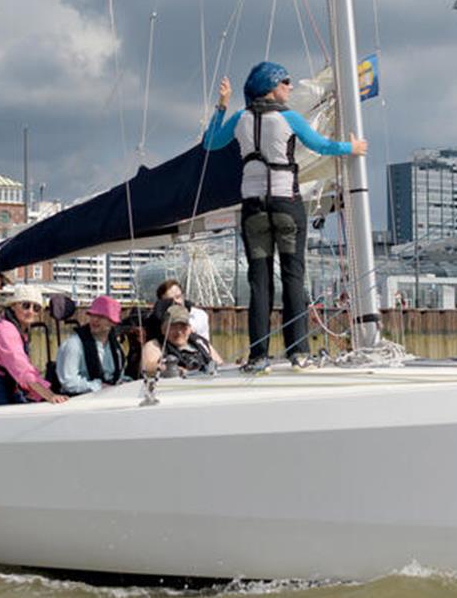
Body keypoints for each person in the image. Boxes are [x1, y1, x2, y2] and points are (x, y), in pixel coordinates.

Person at [202, 62, 366, 369]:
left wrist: (222, 106)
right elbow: (320, 146)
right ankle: (297, 351)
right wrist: (352, 147)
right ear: (271, 86)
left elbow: (209, 142)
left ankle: (258, 355)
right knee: (293, 276)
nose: (290, 87)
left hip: (253, 209)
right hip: (286, 204)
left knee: (259, 282)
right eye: (285, 82)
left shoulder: (240, 118)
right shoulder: (288, 117)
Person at [0, 284, 66, 407]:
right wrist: (50, 396)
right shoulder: (6, 331)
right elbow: (21, 369)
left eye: (36, 308)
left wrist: (42, 393)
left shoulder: (17, 329)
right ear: (13, 306)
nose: (31, 311)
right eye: (25, 305)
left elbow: (25, 370)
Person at [56, 295, 127, 395]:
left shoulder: (117, 348)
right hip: (79, 401)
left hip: (108, 398)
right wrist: (98, 386)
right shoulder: (73, 345)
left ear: (113, 323)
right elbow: (69, 382)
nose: (95, 320)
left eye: (101, 317)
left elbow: (119, 375)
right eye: (93, 315)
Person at [141, 304, 221, 377]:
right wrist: (170, 369)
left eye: (183, 327)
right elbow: (147, 366)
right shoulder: (155, 345)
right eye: (173, 327)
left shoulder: (201, 343)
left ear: (190, 329)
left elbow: (221, 365)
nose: (179, 332)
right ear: (163, 329)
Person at [149, 277, 210, 344]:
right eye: (170, 300)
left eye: (178, 297)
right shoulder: (157, 319)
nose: (176, 302)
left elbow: (204, 342)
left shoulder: (198, 315)